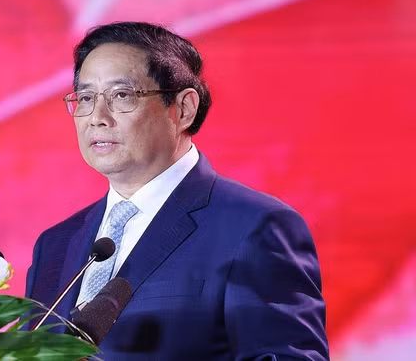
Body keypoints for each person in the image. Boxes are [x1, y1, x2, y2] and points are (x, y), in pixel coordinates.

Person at [25, 22, 328, 360]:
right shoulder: (55, 244)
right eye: (85, 98)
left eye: (121, 95)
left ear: (183, 108)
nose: (97, 117)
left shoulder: (254, 228)